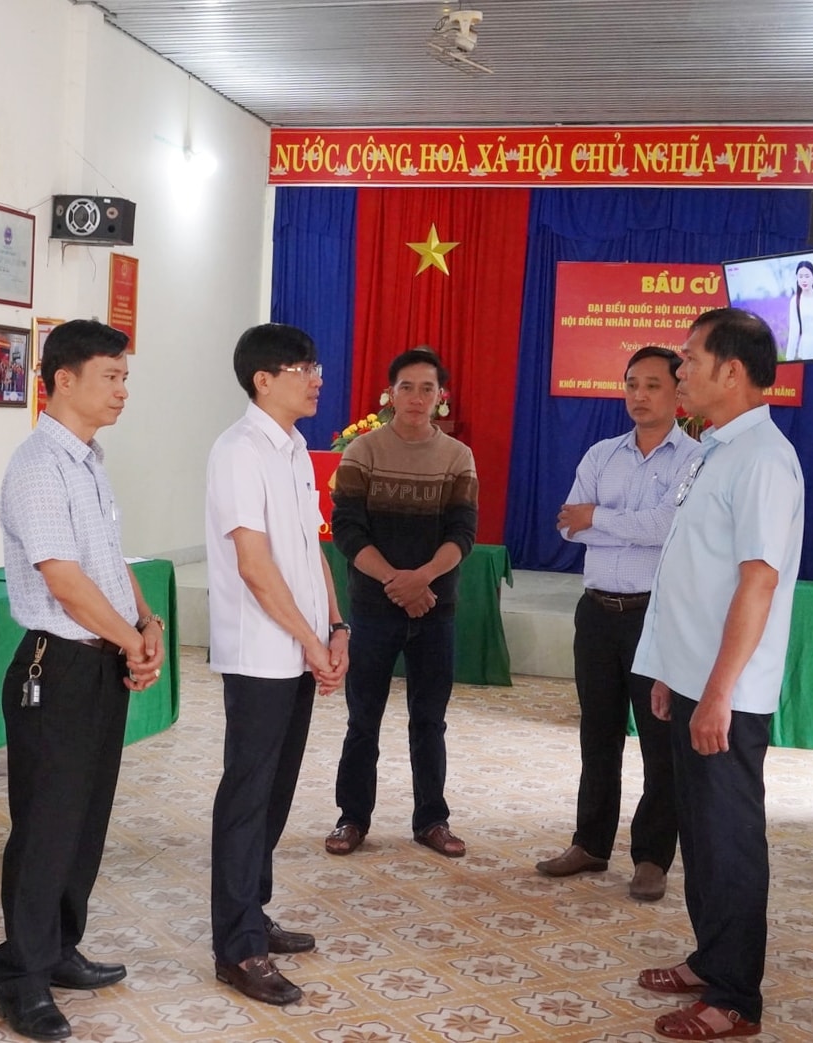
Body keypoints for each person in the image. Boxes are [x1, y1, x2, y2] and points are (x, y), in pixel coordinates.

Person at [0, 319, 165, 1041]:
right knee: (45, 826)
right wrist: (130, 640)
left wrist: (147, 622)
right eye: (111, 376)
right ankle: (21, 978)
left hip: (101, 661)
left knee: (85, 819)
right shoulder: (38, 465)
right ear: (64, 379)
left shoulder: (88, 460)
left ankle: (60, 948)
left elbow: (107, 559)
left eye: (125, 377)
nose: (123, 390)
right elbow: (62, 579)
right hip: (56, 666)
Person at [633, 308, 804, 1040]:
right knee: (701, 835)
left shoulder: (762, 458)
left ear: (732, 371)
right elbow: (692, 570)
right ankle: (710, 958)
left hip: (724, 693)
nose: (679, 372)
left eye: (690, 359)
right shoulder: (716, 449)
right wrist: (669, 670)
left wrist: (719, 692)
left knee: (728, 840)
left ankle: (734, 998)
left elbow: (757, 582)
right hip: (693, 678)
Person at [206, 323, 349, 1006]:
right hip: (261, 651)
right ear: (263, 379)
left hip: (299, 646)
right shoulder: (237, 451)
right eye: (303, 367)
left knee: (277, 790)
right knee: (247, 795)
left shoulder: (293, 449)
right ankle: (237, 947)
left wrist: (336, 625)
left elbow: (309, 546)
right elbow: (255, 565)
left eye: (315, 365)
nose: (316, 378)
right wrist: (309, 642)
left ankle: (253, 912)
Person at [538, 346, 700, 902]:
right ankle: (590, 843)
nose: (639, 395)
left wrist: (599, 519)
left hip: (655, 615)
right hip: (597, 614)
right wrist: (611, 524)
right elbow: (568, 526)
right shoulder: (601, 454)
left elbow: (668, 527)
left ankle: (652, 857)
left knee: (659, 741)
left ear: (678, 392)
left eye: (652, 385)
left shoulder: (694, 459)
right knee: (597, 735)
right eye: (632, 384)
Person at [325, 346, 478, 860]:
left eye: (426, 388)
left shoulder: (457, 456)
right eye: (406, 387)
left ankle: (432, 820)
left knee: (429, 720)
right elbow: (347, 531)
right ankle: (352, 818)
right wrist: (396, 581)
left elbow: (463, 533)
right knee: (362, 719)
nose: (416, 397)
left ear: (441, 397)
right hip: (374, 607)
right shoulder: (362, 451)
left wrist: (423, 579)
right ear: (389, 394)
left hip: (435, 608)